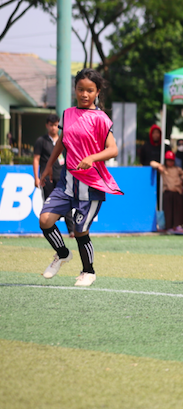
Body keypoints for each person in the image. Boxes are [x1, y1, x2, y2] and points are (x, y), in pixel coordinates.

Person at [37, 68, 122, 287]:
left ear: (97, 92)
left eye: (89, 90)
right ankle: (62, 253)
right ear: (75, 89)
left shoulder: (102, 119)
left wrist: (93, 158)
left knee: (80, 230)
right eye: (80, 89)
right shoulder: (68, 114)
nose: (84, 94)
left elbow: (113, 150)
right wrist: (47, 167)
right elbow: (62, 141)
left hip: (91, 185)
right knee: (45, 220)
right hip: (67, 182)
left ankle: (88, 271)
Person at [33, 114, 74, 235]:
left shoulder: (64, 140)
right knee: (48, 205)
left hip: (63, 177)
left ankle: (71, 230)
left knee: (66, 204)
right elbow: (36, 159)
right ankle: (51, 232)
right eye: (51, 125)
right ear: (47, 125)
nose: (54, 128)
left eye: (56, 125)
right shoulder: (41, 141)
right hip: (47, 178)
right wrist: (36, 177)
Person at [150, 150, 183, 231]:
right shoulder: (164, 169)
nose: (170, 162)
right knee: (168, 210)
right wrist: (159, 166)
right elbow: (152, 163)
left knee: (178, 210)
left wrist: (182, 179)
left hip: (177, 191)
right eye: (168, 160)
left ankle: (177, 225)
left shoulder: (177, 169)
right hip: (168, 191)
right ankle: (169, 226)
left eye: (171, 160)